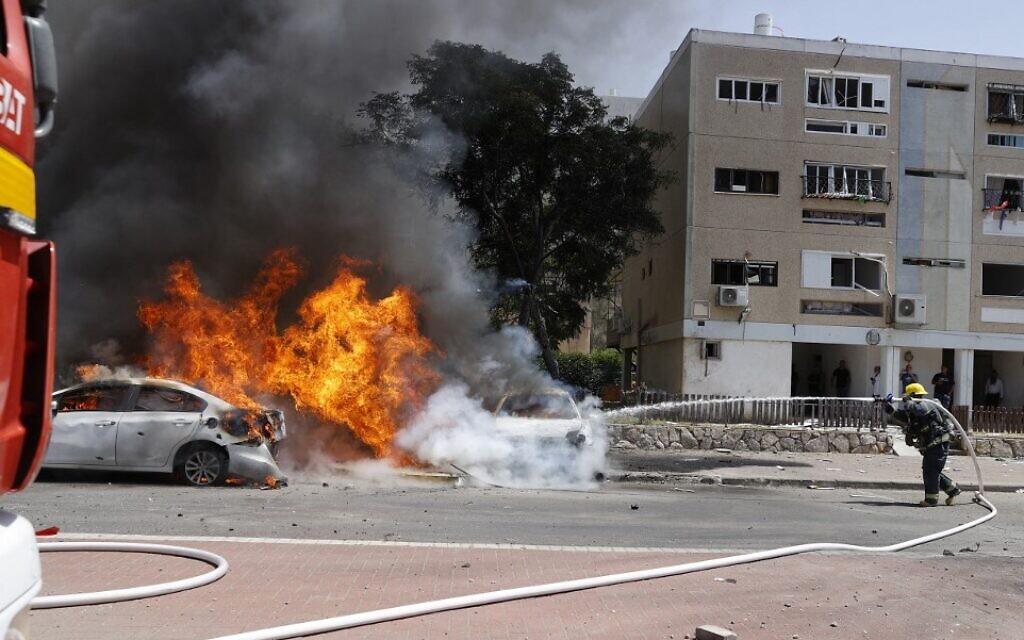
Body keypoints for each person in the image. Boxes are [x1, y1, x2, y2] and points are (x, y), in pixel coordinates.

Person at [883, 383, 961, 507]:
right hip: (931, 445)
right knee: (932, 470)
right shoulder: (913, 410)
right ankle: (953, 490)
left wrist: (908, 402)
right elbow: (901, 416)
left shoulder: (928, 404)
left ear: (914, 396)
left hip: (939, 442)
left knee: (931, 470)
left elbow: (920, 410)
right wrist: (888, 407)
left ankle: (931, 500)